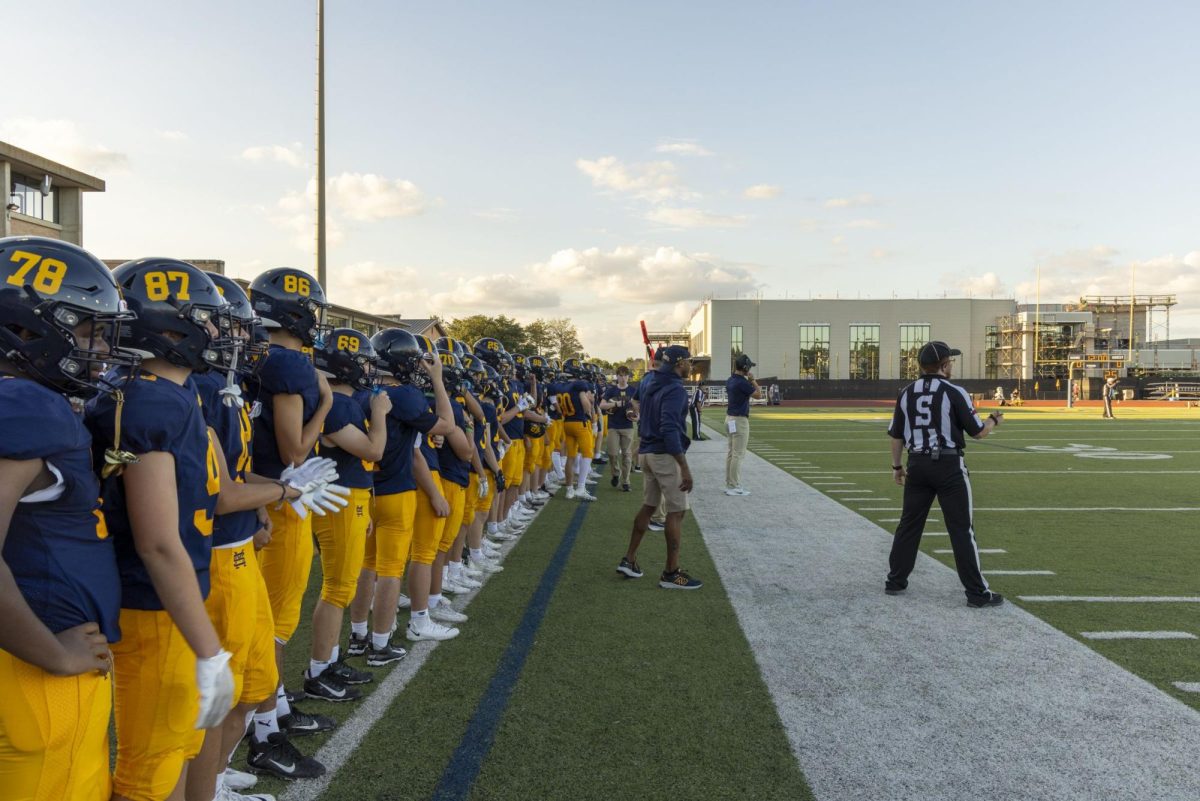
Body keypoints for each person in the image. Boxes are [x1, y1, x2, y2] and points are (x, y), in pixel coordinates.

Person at [86, 258, 238, 800]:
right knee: (146, 776)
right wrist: (207, 649)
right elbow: (156, 540)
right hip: (153, 607)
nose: (218, 332)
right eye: (207, 319)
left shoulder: (160, 392)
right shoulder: (148, 400)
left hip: (164, 599)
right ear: (171, 327)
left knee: (170, 756)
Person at [0, 237, 138, 801]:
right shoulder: (29, 405)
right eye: (87, 331)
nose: (102, 349)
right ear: (26, 330)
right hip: (35, 667)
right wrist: (52, 653)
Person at [884, 340, 1004, 608]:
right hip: (948, 466)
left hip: (917, 464)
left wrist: (897, 466)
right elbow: (978, 432)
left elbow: (896, 435)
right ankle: (976, 592)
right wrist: (994, 420)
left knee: (909, 525)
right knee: (961, 529)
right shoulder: (954, 391)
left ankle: (895, 580)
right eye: (950, 361)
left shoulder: (906, 393)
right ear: (944, 365)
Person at [617, 345, 701, 590]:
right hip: (664, 454)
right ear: (678, 363)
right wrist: (684, 467)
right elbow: (669, 428)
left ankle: (629, 559)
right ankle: (671, 573)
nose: (691, 365)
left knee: (650, 505)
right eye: (689, 361)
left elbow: (638, 405)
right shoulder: (675, 389)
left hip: (646, 451)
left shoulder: (648, 380)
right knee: (677, 512)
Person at [725, 353, 761, 496]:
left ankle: (729, 483)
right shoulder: (741, 382)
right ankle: (734, 485)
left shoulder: (730, 380)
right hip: (739, 420)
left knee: (731, 453)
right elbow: (759, 395)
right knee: (738, 454)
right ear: (745, 367)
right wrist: (753, 381)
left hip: (729, 418)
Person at [600, 366, 637, 491]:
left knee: (627, 455)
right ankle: (616, 473)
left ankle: (626, 482)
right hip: (613, 426)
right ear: (617, 376)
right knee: (612, 454)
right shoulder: (611, 390)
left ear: (628, 376)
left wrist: (638, 416)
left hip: (627, 426)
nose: (623, 378)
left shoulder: (633, 390)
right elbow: (602, 405)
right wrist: (615, 404)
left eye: (625, 375)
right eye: (620, 375)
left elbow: (640, 405)